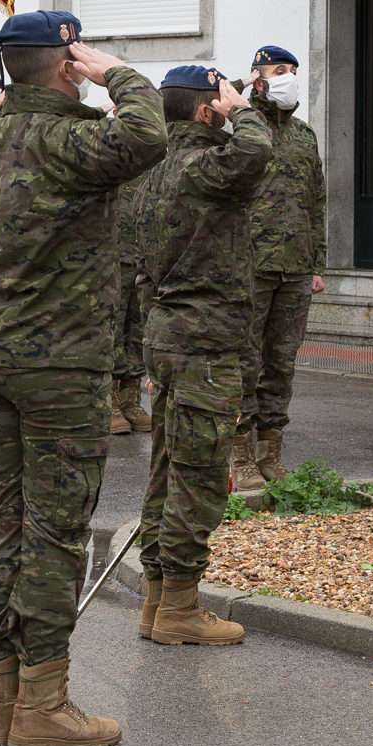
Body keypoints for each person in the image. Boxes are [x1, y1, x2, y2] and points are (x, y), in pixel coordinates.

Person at [0, 12, 165, 746]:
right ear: (66, 64)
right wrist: (120, 74)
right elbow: (146, 135)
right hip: (59, 367)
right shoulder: (70, 140)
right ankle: (44, 703)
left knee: (5, 525)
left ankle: (6, 702)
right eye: (77, 56)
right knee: (54, 533)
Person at [134, 66, 272, 644]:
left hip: (169, 335)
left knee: (168, 467)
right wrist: (242, 109)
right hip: (205, 342)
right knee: (202, 475)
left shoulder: (153, 171)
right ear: (204, 111)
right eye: (219, 101)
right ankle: (180, 610)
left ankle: (156, 599)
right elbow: (257, 149)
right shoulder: (203, 167)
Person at [226, 46, 326, 492]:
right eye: (279, 71)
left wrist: (317, 263)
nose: (289, 78)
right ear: (257, 76)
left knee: (280, 364)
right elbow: (205, 102)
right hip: (248, 264)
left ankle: (271, 453)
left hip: (296, 267)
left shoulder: (305, 135)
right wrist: (243, 88)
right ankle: (240, 455)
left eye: (293, 72)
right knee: (244, 362)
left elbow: (317, 203)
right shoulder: (241, 127)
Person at [109, 169, 152, 436]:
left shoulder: (153, 154)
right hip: (112, 253)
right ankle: (109, 400)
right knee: (112, 329)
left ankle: (130, 400)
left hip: (143, 255)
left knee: (137, 329)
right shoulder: (112, 141)